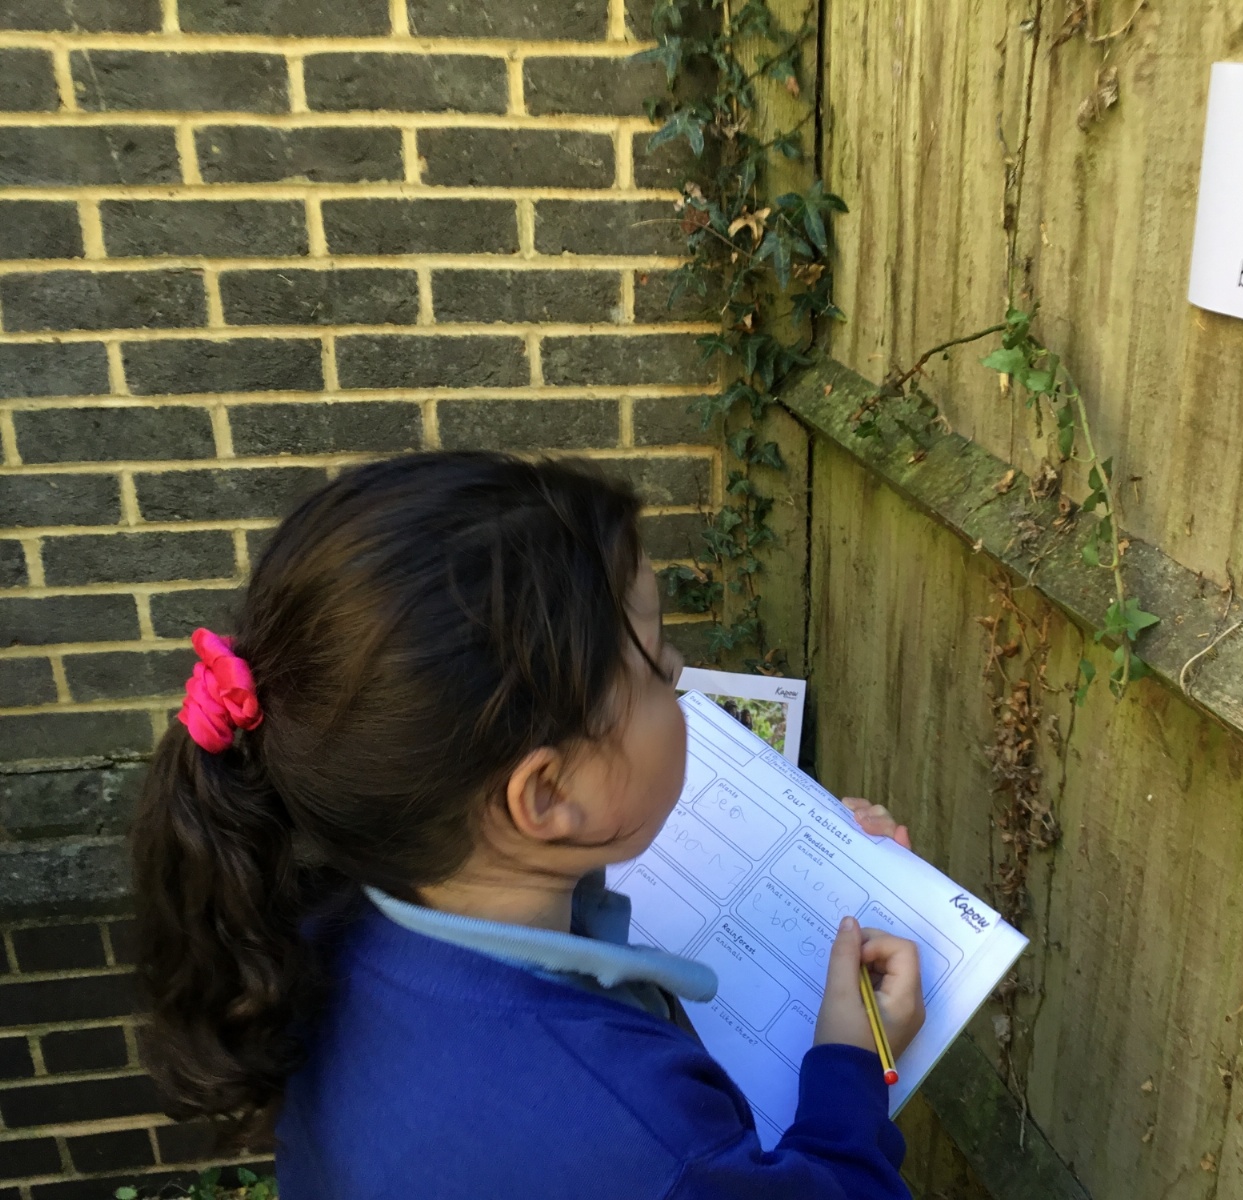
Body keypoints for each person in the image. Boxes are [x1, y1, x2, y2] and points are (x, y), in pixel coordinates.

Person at [131, 451, 924, 1199]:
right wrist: (852, 1065)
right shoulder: (650, 1140)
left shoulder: (319, 933)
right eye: (657, 666)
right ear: (545, 797)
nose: (681, 672)